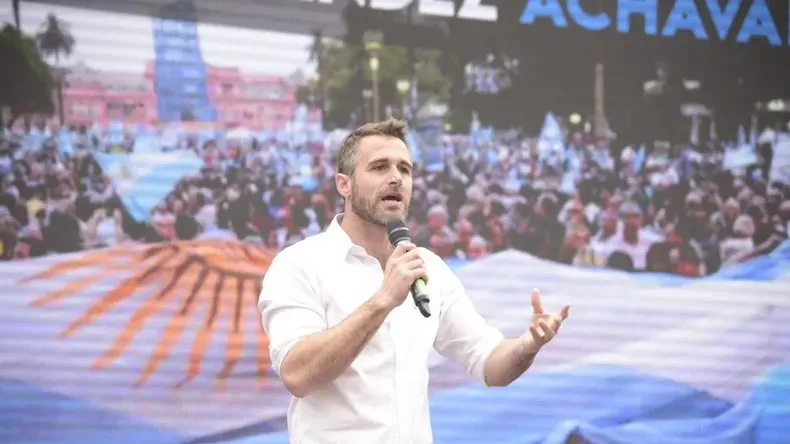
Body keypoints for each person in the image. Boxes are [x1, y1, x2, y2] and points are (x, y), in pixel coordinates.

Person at [258, 118, 570, 443]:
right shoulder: (300, 264)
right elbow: (297, 375)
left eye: (404, 169)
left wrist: (528, 345)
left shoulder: (428, 268)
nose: (396, 177)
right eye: (380, 167)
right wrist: (383, 300)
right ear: (344, 184)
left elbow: (489, 363)